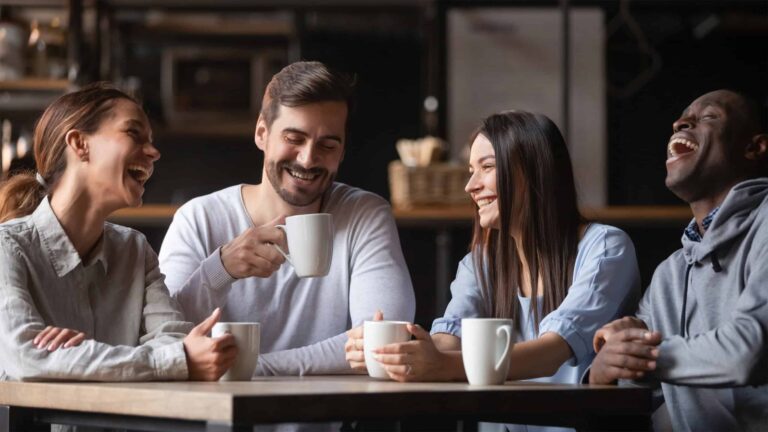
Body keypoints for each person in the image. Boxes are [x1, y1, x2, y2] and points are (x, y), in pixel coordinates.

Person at [346, 111, 640, 422]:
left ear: (536, 170)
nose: (470, 186)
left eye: (487, 167)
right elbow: (449, 338)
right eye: (471, 171)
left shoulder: (605, 247)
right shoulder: (480, 262)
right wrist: (394, 350)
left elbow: (554, 350)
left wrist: (442, 366)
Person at [158, 61, 415, 376]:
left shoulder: (364, 214)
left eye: (327, 145)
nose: (308, 159)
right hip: (218, 421)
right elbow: (167, 340)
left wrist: (254, 370)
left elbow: (384, 341)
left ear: (343, 149)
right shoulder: (199, 218)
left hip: (325, 420)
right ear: (262, 133)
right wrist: (220, 270)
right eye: (294, 139)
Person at [0, 82, 236, 383]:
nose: (154, 152)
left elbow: (174, 341)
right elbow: (27, 358)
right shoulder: (7, 247)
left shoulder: (135, 250)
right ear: (80, 144)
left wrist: (78, 356)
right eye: (133, 133)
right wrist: (169, 361)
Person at [589, 89, 768, 431]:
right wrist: (608, 363)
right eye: (682, 118)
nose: (680, 123)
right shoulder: (671, 273)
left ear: (754, 147)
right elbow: (632, 382)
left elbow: (749, 351)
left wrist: (642, 356)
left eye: (709, 116)